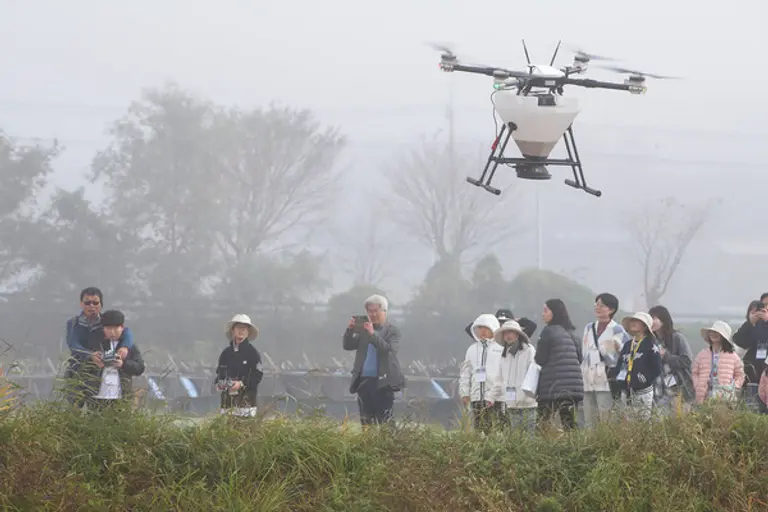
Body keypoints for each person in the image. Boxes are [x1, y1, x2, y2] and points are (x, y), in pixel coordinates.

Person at [63, 287, 134, 407]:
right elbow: (73, 344)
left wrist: (125, 347)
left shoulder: (106, 322)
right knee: (74, 409)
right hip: (78, 371)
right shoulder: (73, 323)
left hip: (97, 375)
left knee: (95, 410)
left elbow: (127, 332)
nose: (92, 306)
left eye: (95, 302)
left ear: (101, 304)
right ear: (81, 304)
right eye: (87, 302)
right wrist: (90, 355)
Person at [343, 294, 405, 426]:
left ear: (384, 311)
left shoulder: (392, 331)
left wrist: (372, 334)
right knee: (366, 421)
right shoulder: (363, 330)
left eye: (375, 311)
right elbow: (348, 345)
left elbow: (388, 350)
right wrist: (350, 330)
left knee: (385, 423)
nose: (372, 314)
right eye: (370, 311)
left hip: (383, 382)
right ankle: (367, 445)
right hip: (364, 381)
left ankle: (389, 446)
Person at [579, 293, 629, 427]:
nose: (598, 307)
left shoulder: (617, 329)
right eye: (596, 304)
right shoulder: (589, 328)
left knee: (607, 419)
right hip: (588, 379)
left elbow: (624, 355)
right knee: (589, 419)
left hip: (606, 380)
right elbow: (584, 353)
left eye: (602, 305)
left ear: (611, 309)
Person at [535, 299, 583, 431]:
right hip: (574, 388)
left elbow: (540, 359)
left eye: (545, 310)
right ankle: (575, 450)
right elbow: (580, 359)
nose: (543, 314)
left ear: (554, 312)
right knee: (570, 424)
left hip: (552, 387)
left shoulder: (548, 332)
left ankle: (543, 450)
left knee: (542, 424)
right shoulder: (573, 334)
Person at [89, 310, 145, 410]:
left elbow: (140, 368)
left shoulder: (129, 347)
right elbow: (83, 364)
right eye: (108, 329)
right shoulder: (96, 344)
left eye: (116, 329)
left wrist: (123, 364)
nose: (112, 332)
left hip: (121, 398)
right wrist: (94, 360)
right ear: (103, 329)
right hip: (97, 396)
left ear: (122, 328)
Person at [489, 320, 537, 432]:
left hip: (528, 405)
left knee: (529, 439)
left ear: (517, 334)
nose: (508, 335)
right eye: (505, 333)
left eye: (511, 332)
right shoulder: (504, 355)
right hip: (512, 405)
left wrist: (530, 395)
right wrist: (491, 397)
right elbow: (499, 380)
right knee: (516, 439)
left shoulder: (529, 350)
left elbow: (534, 376)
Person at [459, 313, 503, 434]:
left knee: (498, 429)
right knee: (480, 430)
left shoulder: (501, 348)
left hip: (496, 398)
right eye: (480, 328)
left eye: (486, 328)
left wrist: (495, 394)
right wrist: (464, 392)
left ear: (493, 328)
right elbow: (465, 373)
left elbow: (503, 374)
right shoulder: (472, 349)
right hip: (477, 397)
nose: (483, 331)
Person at [216, 314, 263, 417]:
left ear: (248, 332)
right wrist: (224, 384)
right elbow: (219, 375)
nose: (241, 331)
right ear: (233, 330)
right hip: (227, 404)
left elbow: (257, 375)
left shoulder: (253, 353)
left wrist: (241, 383)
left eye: (244, 328)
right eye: (238, 327)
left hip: (247, 405)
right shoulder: (225, 353)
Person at [617, 312, 662, 420]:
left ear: (645, 326)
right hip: (626, 391)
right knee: (627, 425)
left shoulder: (651, 345)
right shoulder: (628, 345)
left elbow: (657, 368)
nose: (633, 323)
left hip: (643, 391)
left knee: (643, 424)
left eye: (637, 321)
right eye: (632, 321)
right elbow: (620, 364)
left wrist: (644, 378)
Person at [648, 305, 694, 411]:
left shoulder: (677, 338)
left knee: (678, 421)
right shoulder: (650, 340)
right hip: (657, 389)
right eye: (650, 318)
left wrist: (666, 356)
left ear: (663, 320)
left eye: (654, 318)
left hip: (676, 389)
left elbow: (687, 360)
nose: (652, 321)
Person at [692, 321, 745, 405]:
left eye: (717, 332)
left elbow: (740, 375)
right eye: (712, 332)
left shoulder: (733, 356)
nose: (713, 334)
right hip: (704, 397)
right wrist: (698, 385)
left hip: (725, 399)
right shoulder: (702, 355)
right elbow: (695, 372)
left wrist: (733, 387)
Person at [732, 298, 768, 410]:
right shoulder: (747, 327)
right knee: (749, 406)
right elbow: (738, 340)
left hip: (765, 371)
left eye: (761, 311)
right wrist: (750, 323)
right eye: (753, 312)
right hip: (749, 371)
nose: (758, 314)